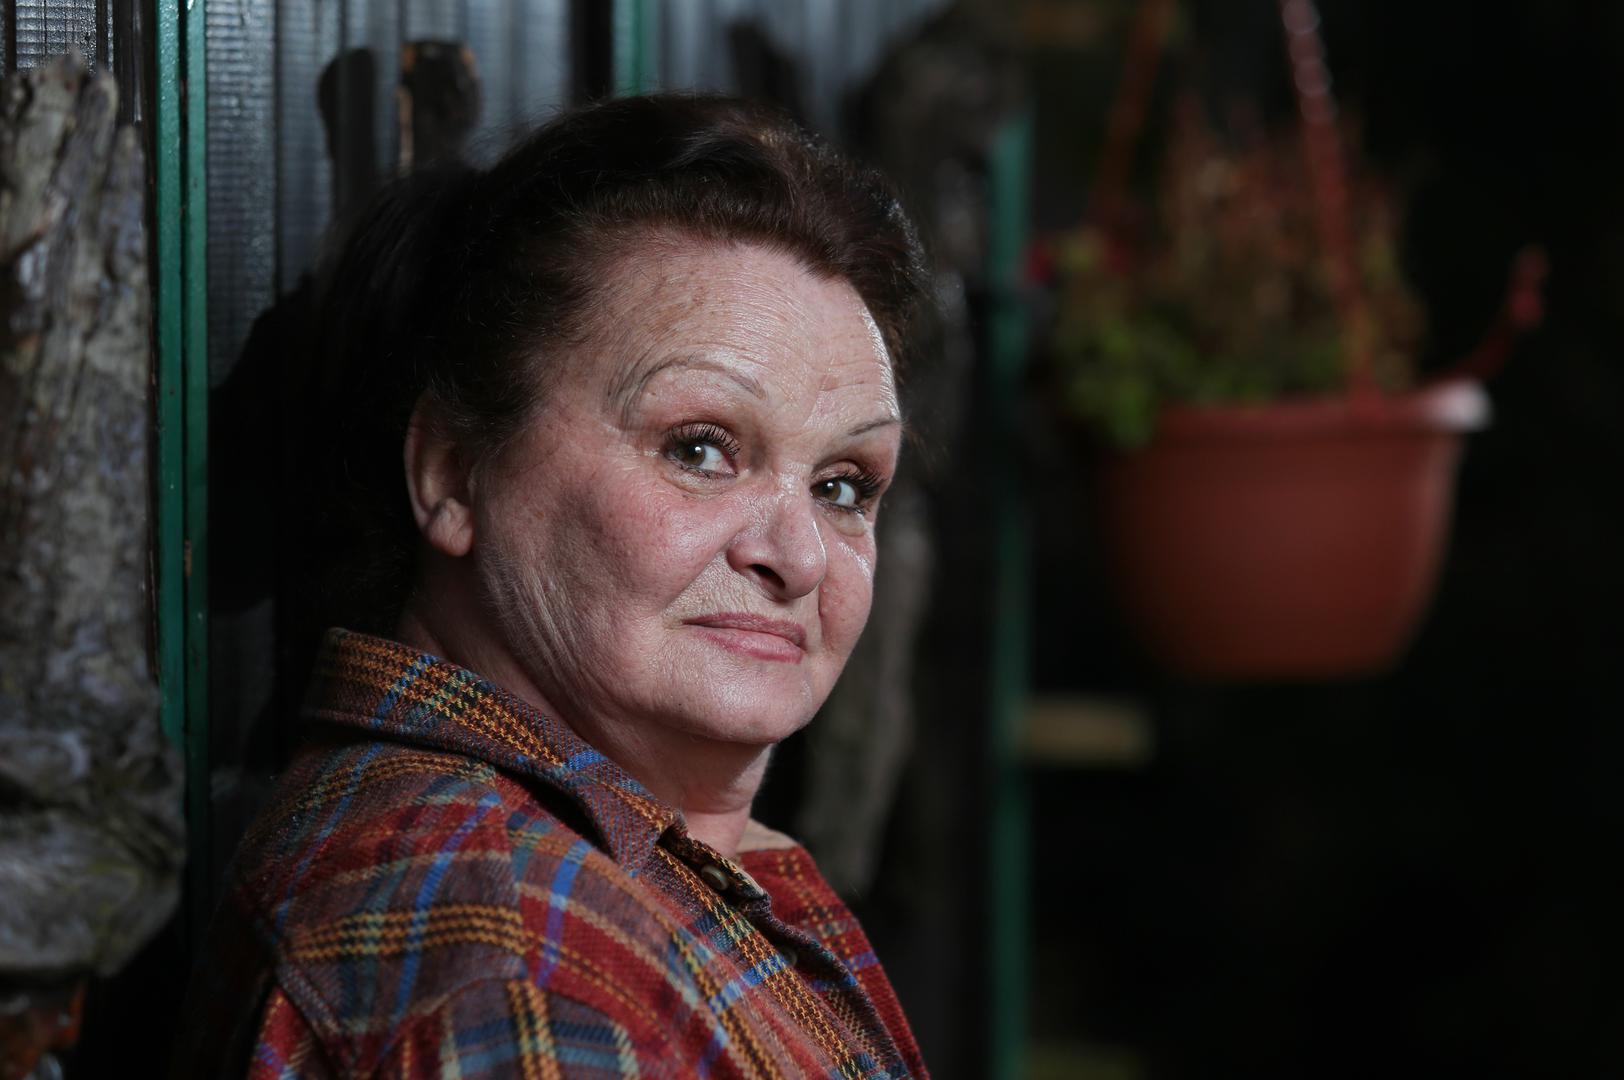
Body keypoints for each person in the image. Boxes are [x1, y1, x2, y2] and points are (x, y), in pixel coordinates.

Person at [172, 94, 931, 1078]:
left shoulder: (621, 878)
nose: (801, 556)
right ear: (452, 472)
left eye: (843, 486)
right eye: (700, 449)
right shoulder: (521, 969)